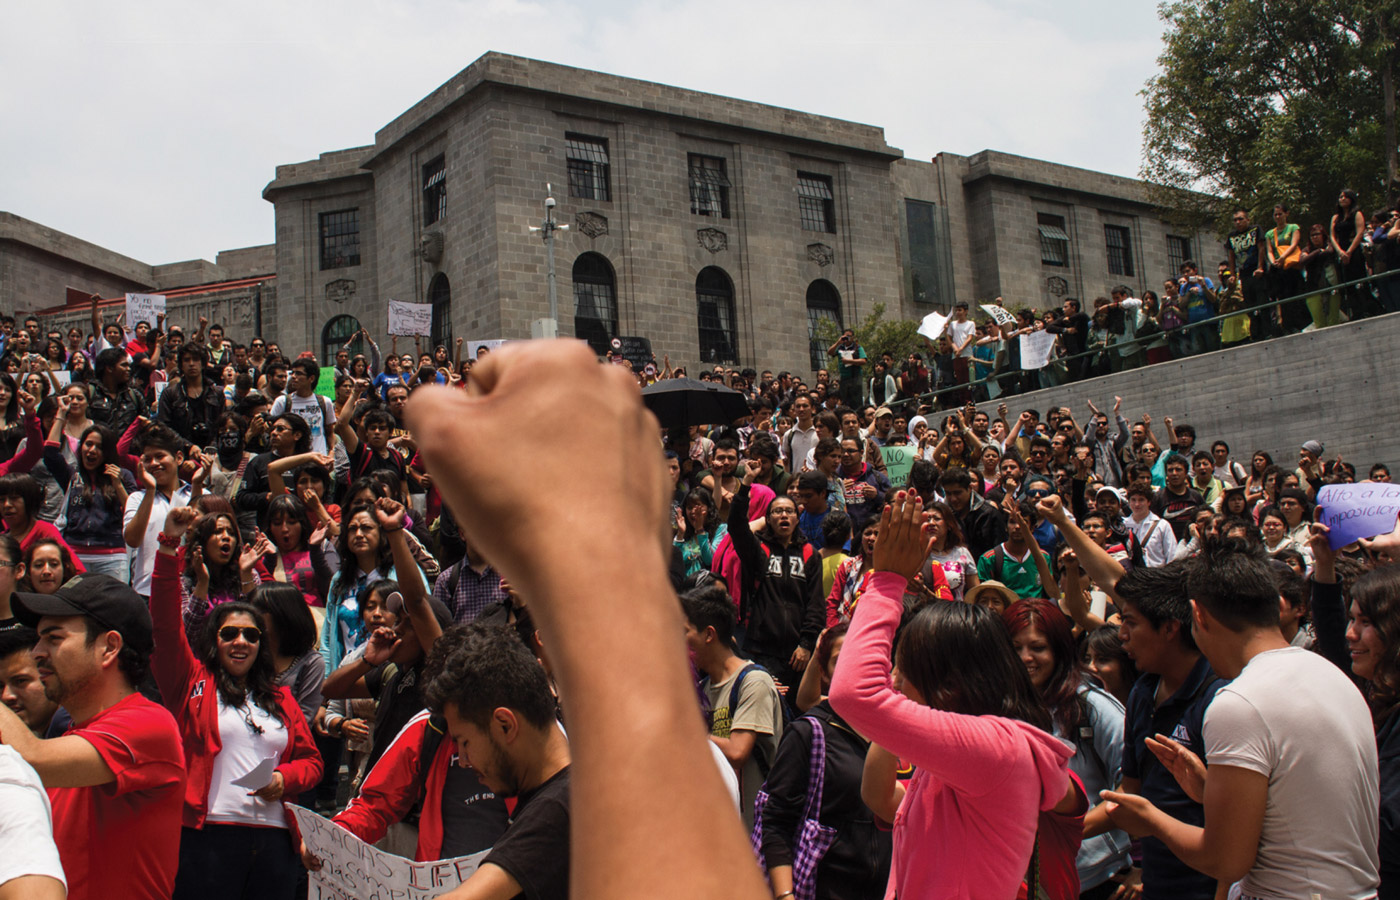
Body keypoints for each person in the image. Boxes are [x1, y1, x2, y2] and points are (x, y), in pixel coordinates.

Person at [828, 492, 1077, 900]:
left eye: (904, 668)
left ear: (945, 678)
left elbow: (852, 694)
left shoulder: (995, 748)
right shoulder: (966, 753)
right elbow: (879, 797)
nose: (895, 680)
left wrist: (886, 582)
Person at [1102, 540, 1381, 899]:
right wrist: (1209, 792)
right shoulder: (1331, 674)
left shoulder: (1239, 702)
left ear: (1197, 615)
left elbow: (1225, 861)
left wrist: (1150, 818)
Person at [149, 506, 321, 900]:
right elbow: (162, 622)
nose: (240, 641)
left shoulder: (281, 698)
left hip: (275, 841)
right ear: (215, 641)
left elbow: (312, 763)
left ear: (261, 643)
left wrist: (284, 779)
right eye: (229, 633)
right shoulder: (191, 682)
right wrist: (168, 545)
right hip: (207, 837)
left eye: (250, 634)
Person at [1, 574, 185, 900]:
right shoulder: (74, 738)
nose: (37, 652)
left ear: (109, 647)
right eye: (39, 639)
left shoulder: (150, 724)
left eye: (53, 638)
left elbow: (29, 756)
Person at [424, 621, 573, 900]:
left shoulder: (557, 808)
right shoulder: (570, 791)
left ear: (505, 724)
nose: (464, 761)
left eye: (464, 742)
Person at [1004, 599, 1131, 898]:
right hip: (1024, 880)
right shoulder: (999, 708)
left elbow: (1134, 786)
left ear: (1060, 650)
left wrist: (1069, 831)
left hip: (1098, 877)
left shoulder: (1093, 707)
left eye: (1037, 648)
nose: (1026, 658)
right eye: (1016, 648)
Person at [757, 621, 892, 900]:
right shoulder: (808, 733)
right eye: (840, 660)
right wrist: (785, 895)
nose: (856, 666)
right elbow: (776, 821)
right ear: (825, 673)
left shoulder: (897, 734)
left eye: (864, 655)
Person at [1310, 528, 1400, 895]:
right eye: (1351, 619)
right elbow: (1333, 638)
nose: (1351, 634)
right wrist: (1325, 566)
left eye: (1364, 622)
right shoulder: (1374, 691)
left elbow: (1390, 830)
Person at [682, 585, 783, 831]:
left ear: (709, 634)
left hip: (756, 831)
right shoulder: (703, 689)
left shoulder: (753, 682)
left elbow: (738, 752)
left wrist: (684, 734)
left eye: (684, 631)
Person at [726, 459, 824, 693]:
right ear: (768, 519)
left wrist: (807, 644)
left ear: (796, 518)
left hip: (798, 653)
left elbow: (815, 603)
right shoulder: (758, 549)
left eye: (789, 511)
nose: (783, 516)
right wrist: (747, 483)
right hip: (762, 650)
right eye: (777, 511)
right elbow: (737, 527)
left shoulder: (810, 554)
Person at [123, 422, 199, 596]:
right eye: (147, 459)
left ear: (179, 458)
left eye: (160, 456)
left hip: (192, 590)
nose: (154, 463)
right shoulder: (137, 498)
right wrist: (150, 490)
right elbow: (132, 540)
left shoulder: (199, 493)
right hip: (147, 591)